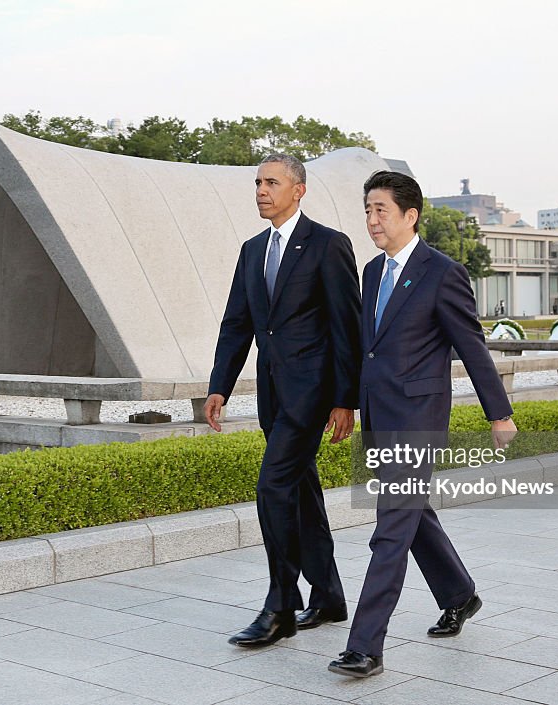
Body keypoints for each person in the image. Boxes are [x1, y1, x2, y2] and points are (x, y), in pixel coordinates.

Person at [328, 171, 516, 678]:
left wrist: (499, 413)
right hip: (377, 414)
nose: (371, 220)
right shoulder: (371, 272)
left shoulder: (442, 272)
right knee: (413, 515)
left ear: (411, 216)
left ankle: (365, 645)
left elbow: (471, 346)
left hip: (417, 417)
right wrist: (346, 402)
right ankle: (459, 593)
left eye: (381, 210)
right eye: (367, 210)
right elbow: (363, 348)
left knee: (390, 529)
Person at [205, 153, 360, 647]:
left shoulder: (328, 245)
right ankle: (330, 594)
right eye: (257, 182)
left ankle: (281, 605)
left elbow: (346, 328)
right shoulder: (252, 250)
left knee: (272, 487)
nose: (261, 190)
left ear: (300, 190)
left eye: (272, 182)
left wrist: (345, 399)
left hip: (312, 394)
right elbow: (237, 325)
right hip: (272, 393)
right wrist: (219, 386)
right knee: (300, 490)